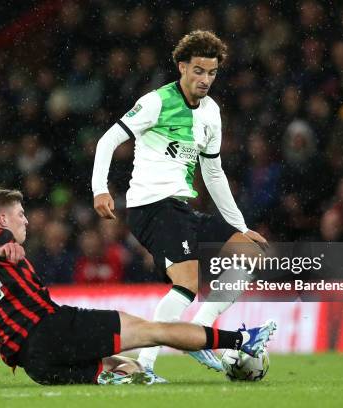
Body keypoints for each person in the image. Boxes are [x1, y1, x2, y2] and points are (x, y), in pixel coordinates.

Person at [0, 186, 277, 385]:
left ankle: (143, 374)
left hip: (36, 366)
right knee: (154, 330)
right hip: (54, 329)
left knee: (127, 368)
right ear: (1, 221)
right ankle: (242, 339)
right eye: (19, 214)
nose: (25, 221)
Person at [91, 30, 269, 376]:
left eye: (212, 73)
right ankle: (146, 364)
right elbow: (108, 140)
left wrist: (241, 226)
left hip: (181, 208)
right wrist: (100, 188)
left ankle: (200, 333)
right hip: (150, 206)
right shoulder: (157, 101)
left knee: (250, 253)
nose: (205, 80)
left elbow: (213, 173)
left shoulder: (211, 112)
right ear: (182, 67)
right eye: (199, 71)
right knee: (187, 282)